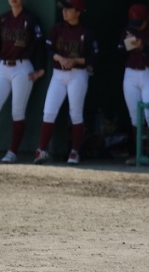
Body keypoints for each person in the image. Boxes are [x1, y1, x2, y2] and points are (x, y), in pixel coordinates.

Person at [0, 0, 45, 164]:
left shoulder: (31, 19)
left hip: (22, 67)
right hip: (3, 67)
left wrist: (40, 69)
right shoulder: (2, 19)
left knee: (17, 111)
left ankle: (12, 152)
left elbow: (40, 45)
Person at [33, 0, 96, 165]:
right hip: (58, 74)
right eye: (64, 8)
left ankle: (74, 152)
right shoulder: (57, 28)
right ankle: (42, 150)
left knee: (75, 113)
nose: (65, 11)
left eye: (69, 8)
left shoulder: (86, 32)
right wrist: (60, 58)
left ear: (78, 12)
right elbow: (49, 49)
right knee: (49, 111)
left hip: (78, 74)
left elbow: (92, 57)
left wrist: (75, 61)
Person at [119, 3, 149, 166]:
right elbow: (119, 53)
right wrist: (128, 46)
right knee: (135, 117)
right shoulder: (127, 31)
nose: (136, 26)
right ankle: (138, 153)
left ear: (146, 19)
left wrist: (143, 47)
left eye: (139, 22)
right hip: (131, 74)